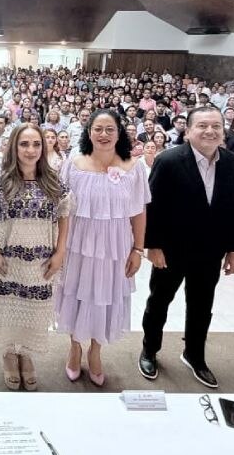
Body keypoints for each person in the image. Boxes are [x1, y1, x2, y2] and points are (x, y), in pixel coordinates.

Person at [139, 107, 234, 388]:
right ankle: (150, 349)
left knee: (202, 305)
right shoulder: (168, 160)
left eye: (216, 126)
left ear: (223, 131)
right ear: (187, 131)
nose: (210, 131)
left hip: (211, 251)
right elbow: (152, 206)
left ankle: (194, 354)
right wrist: (153, 245)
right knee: (159, 301)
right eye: (202, 125)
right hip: (171, 249)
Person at [53, 110, 148, 387]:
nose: (103, 134)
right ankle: (74, 347)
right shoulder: (74, 162)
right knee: (76, 293)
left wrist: (138, 249)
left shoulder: (134, 167)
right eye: (98, 129)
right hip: (77, 244)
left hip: (115, 247)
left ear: (119, 133)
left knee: (105, 296)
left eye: (110, 129)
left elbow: (139, 211)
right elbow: (61, 208)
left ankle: (95, 351)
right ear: (88, 132)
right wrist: (58, 247)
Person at [0, 123, 70, 391]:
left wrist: (60, 252)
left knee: (35, 308)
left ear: (43, 147)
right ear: (14, 147)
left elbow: (64, 215)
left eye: (36, 144)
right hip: (7, 257)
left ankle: (27, 354)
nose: (30, 150)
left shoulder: (53, 179)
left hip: (42, 259)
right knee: (7, 307)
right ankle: (10, 354)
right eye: (24, 144)